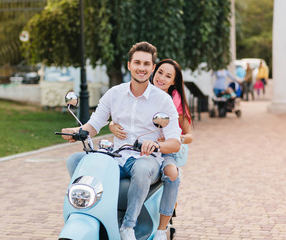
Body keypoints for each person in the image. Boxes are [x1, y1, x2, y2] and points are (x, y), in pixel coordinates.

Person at [61, 42, 181, 240]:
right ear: (129, 65)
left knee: (142, 167)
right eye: (137, 63)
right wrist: (75, 131)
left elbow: (175, 142)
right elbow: (93, 125)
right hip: (115, 157)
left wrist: (156, 145)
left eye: (146, 64)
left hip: (145, 158)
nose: (141, 68)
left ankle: (128, 226)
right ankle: (95, 213)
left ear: (152, 68)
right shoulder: (114, 93)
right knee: (75, 160)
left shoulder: (162, 100)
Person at [110, 59, 193, 240]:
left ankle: (162, 230)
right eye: (160, 72)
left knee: (172, 172)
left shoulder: (174, 102)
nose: (161, 78)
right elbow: (124, 117)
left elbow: (189, 136)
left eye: (168, 76)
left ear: (173, 82)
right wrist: (111, 125)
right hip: (137, 150)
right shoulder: (140, 93)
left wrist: (173, 138)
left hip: (165, 151)